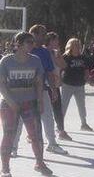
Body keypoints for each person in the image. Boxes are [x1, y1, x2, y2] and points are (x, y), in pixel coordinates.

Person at [0, 32, 54, 177]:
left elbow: (38, 81)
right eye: (29, 42)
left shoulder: (35, 60)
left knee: (35, 134)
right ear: (18, 43)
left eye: (33, 42)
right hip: (9, 104)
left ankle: (40, 163)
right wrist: (11, 102)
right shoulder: (6, 61)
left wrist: (40, 101)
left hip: (29, 103)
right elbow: (2, 85)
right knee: (8, 134)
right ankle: (5, 167)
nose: (32, 44)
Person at [12, 25, 67, 156]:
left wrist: (53, 90)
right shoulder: (18, 51)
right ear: (33, 34)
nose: (45, 37)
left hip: (42, 90)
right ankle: (13, 147)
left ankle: (52, 144)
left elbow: (49, 72)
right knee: (18, 120)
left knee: (48, 117)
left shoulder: (44, 52)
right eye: (42, 34)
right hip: (22, 92)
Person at [60, 38, 94, 132]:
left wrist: (89, 80)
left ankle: (84, 124)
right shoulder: (66, 57)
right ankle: (59, 126)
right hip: (67, 84)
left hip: (80, 84)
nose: (77, 47)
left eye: (78, 45)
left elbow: (86, 70)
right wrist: (58, 80)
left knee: (81, 105)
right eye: (75, 45)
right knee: (63, 105)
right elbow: (60, 69)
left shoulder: (83, 57)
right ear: (70, 46)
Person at [46, 32, 71, 141]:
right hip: (44, 85)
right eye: (56, 40)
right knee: (41, 110)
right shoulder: (43, 51)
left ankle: (61, 131)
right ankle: (32, 134)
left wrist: (58, 56)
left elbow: (64, 66)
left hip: (55, 84)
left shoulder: (56, 53)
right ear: (50, 40)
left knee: (57, 109)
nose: (58, 42)